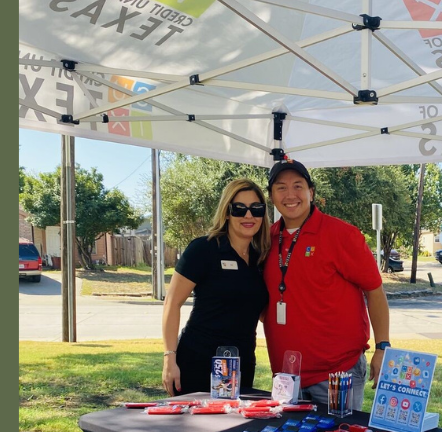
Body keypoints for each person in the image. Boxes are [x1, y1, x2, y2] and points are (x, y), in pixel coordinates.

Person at [262, 158, 390, 410]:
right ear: (271, 196)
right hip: (286, 377)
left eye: (298, 186)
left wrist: (382, 346)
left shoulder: (341, 234)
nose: (290, 194)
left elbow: (374, 291)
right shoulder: (265, 239)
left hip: (337, 375)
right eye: (281, 187)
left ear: (311, 192)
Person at [162, 178, 270, 396]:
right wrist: (169, 358)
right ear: (227, 212)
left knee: (234, 429)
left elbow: (261, 312)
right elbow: (172, 303)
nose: (248, 215)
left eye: (256, 209)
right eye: (239, 209)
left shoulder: (261, 258)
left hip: (242, 365)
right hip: (198, 362)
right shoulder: (204, 249)